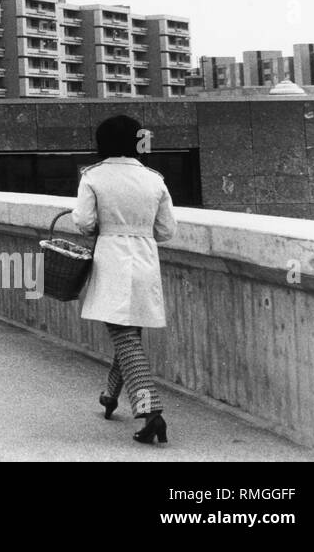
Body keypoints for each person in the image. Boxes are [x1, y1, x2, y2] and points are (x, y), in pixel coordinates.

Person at [71, 114, 177, 444]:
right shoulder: (154, 180)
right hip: (145, 262)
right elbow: (167, 231)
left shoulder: (93, 177)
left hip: (112, 261)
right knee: (129, 335)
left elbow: (84, 223)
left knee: (124, 337)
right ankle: (110, 395)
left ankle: (151, 412)